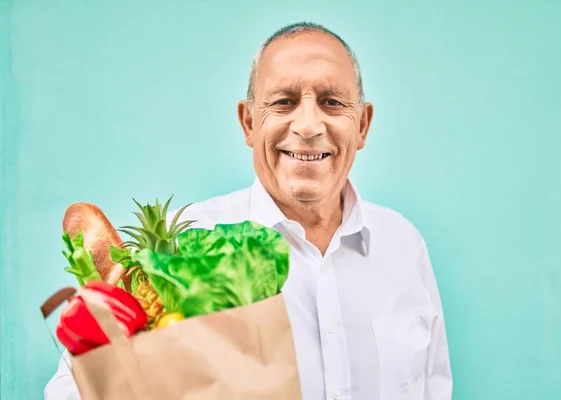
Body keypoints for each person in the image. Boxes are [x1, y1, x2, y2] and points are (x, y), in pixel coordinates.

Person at [44, 22, 453, 400]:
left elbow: (435, 387)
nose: (309, 125)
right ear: (248, 123)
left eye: (331, 102)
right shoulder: (176, 249)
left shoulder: (403, 244)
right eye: (284, 102)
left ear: (362, 126)